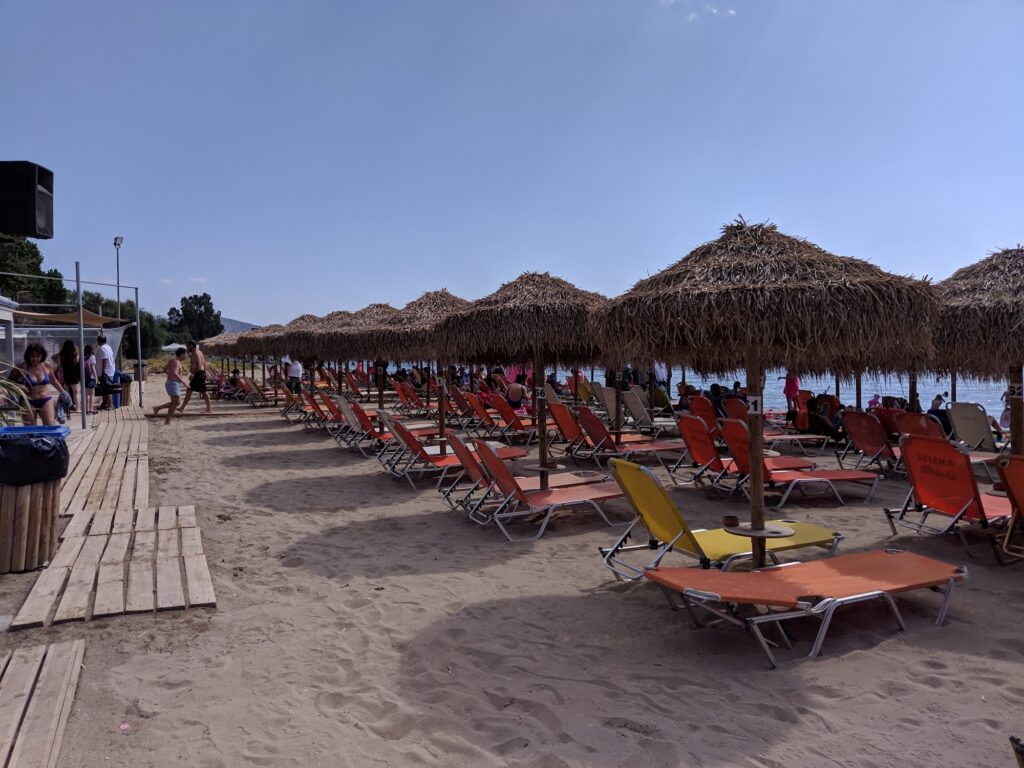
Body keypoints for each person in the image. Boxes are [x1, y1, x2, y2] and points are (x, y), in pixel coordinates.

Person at [11, 343, 67, 426]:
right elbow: (9, 382)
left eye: (38, 356)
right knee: (30, 429)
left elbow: (53, 380)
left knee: (50, 426)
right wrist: (19, 387)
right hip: (28, 401)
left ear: (42, 355)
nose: (35, 359)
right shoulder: (21, 367)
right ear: (28, 356)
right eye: (32, 356)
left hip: (46, 399)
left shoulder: (46, 365)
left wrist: (63, 393)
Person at [153, 348, 189, 424]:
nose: (186, 356)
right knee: (175, 403)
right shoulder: (176, 362)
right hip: (173, 383)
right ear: (181, 354)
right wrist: (183, 382)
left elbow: (164, 369)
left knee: (176, 403)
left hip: (172, 383)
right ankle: (167, 420)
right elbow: (174, 373)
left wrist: (169, 374)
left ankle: (158, 408)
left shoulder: (173, 360)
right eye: (186, 354)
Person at [179, 341, 213, 414]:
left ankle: (209, 409)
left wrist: (193, 374)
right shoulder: (200, 352)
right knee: (194, 390)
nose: (186, 348)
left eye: (187, 346)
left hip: (198, 374)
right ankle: (182, 408)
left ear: (191, 345)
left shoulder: (195, 353)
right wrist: (205, 373)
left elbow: (198, 365)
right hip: (201, 373)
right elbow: (204, 364)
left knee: (202, 391)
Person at [56, 340, 81, 412]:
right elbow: (77, 361)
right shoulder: (75, 353)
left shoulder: (61, 354)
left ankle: (66, 408)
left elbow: (58, 365)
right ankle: (78, 408)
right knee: (76, 392)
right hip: (73, 374)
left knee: (66, 392)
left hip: (65, 374)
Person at [96, 334, 116, 409]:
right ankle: (105, 403)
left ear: (99, 341)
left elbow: (105, 359)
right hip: (109, 370)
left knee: (107, 388)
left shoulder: (102, 348)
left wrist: (103, 370)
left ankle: (110, 404)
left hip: (106, 371)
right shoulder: (108, 347)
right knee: (104, 388)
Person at [83, 344, 98, 415]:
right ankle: (91, 409)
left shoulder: (84, 358)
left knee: (86, 394)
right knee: (92, 394)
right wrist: (96, 377)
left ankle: (86, 410)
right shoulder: (92, 357)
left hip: (85, 378)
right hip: (91, 378)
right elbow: (93, 368)